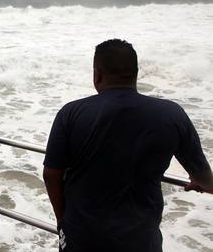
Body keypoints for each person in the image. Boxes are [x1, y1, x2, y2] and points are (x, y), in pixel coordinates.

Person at [43, 39, 213, 252]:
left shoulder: (70, 113)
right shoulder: (172, 114)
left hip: (82, 235)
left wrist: (62, 220)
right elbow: (205, 178)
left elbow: (51, 174)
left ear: (97, 74)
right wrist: (201, 181)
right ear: (135, 73)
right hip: (140, 239)